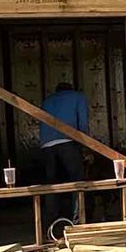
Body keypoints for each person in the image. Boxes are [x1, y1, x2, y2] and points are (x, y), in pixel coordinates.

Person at [37, 82, 90, 227]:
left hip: (46, 146)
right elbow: (83, 123)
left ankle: (50, 223)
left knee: (51, 185)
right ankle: (77, 221)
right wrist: (86, 146)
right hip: (68, 142)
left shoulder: (47, 101)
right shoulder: (78, 97)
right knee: (76, 182)